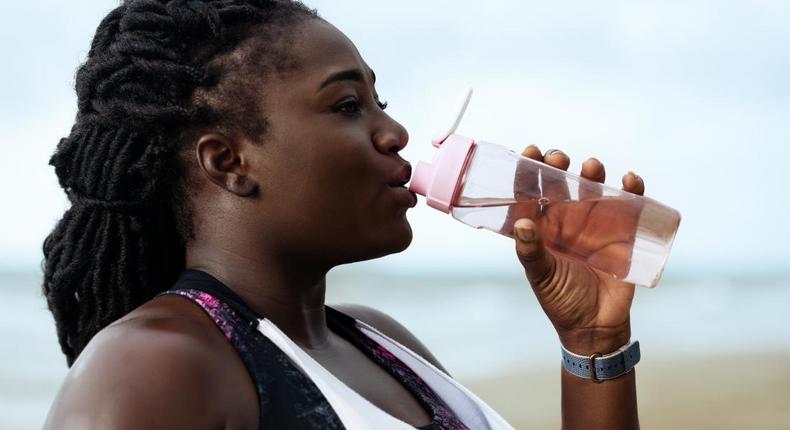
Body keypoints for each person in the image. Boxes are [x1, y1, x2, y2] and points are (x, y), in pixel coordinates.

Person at [42, 1, 644, 428]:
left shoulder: (382, 342)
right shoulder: (156, 365)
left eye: (381, 101)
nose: (395, 132)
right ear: (229, 162)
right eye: (348, 104)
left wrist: (593, 342)